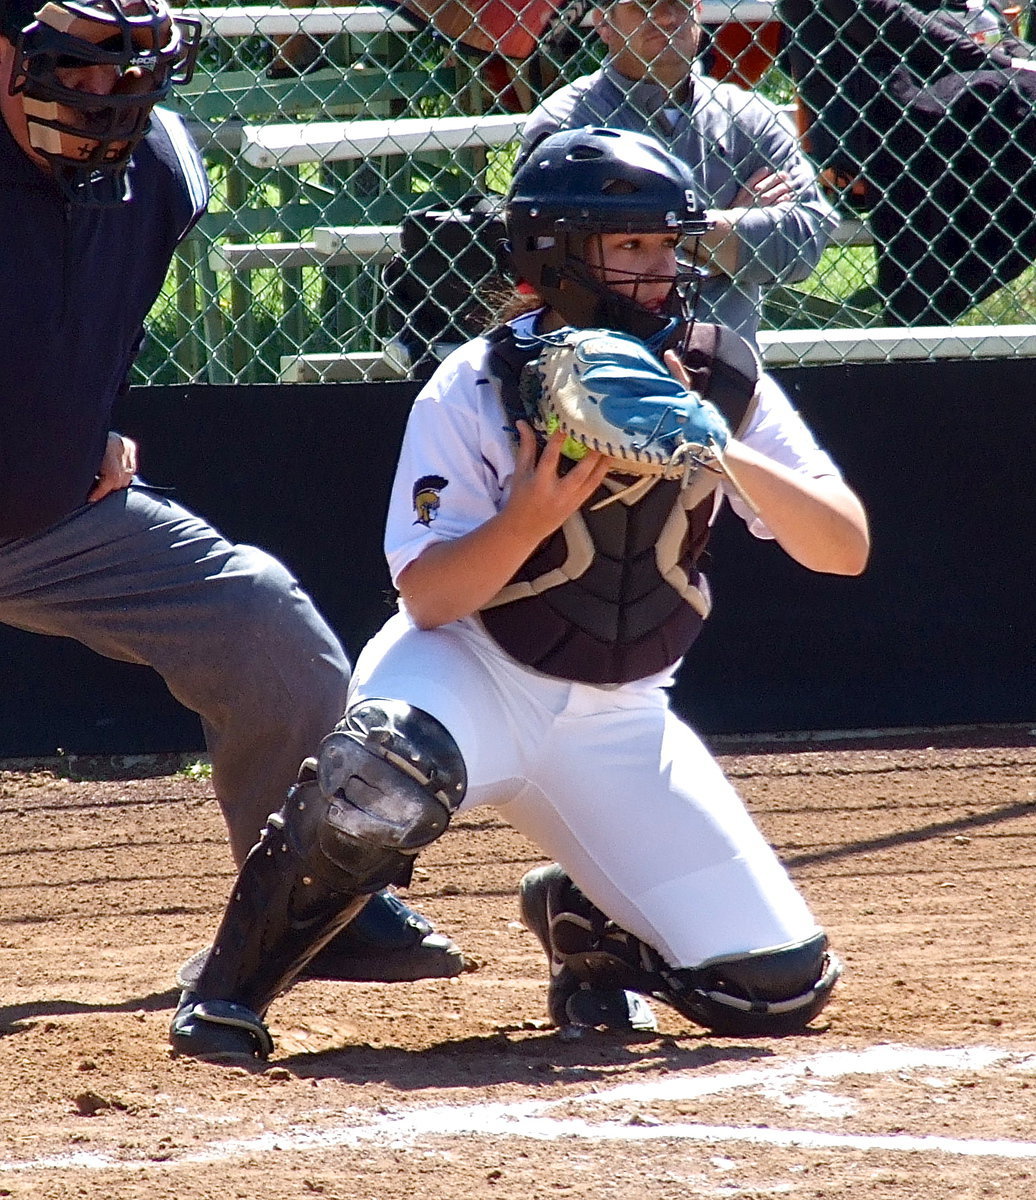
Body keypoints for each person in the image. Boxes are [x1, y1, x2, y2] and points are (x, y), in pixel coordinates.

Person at [169, 125, 869, 1061]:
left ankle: (592, 929)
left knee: (774, 988)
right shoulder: (480, 383)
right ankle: (227, 995)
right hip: (469, 672)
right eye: (631, 247)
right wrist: (530, 515)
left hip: (620, 718)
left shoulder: (720, 378)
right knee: (381, 771)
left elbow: (843, 549)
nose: (662, 270)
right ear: (557, 257)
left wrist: (719, 445)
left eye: (669, 243)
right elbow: (429, 598)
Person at [0, 0, 465, 988]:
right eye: (74, 71)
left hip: (44, 522)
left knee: (263, 626)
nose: (103, 100)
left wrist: (91, 422)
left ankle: (314, 905)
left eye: (126, 73)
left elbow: (95, 316)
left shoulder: (156, 173)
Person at [519, 0, 841, 346]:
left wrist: (635, 233)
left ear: (698, 13)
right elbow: (550, 255)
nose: (666, 17)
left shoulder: (749, 118)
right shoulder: (567, 124)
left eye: (679, 4)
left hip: (723, 372)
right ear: (603, 23)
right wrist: (729, 232)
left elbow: (803, 242)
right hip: (598, 363)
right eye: (642, 7)